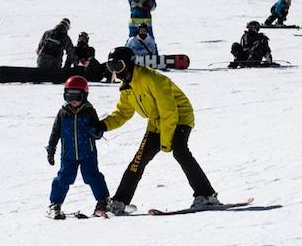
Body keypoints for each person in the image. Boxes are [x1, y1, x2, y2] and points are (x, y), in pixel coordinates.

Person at [101, 48, 222, 213]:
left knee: (180, 151)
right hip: (157, 121)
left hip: (180, 117)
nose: (115, 71)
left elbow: (169, 111)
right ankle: (119, 201)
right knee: (138, 160)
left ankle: (207, 195)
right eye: (111, 66)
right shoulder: (127, 87)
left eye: (118, 65)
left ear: (129, 64)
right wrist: (103, 125)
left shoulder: (152, 79)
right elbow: (123, 113)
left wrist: (165, 143)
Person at [46, 76, 110, 219]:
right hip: (68, 154)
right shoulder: (63, 112)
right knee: (63, 178)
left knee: (93, 177)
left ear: (84, 95)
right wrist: (51, 149)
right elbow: (55, 132)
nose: (73, 100)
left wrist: (96, 132)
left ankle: (103, 201)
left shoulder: (89, 111)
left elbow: (97, 130)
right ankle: (54, 204)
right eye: (69, 96)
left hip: (88, 153)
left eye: (77, 96)